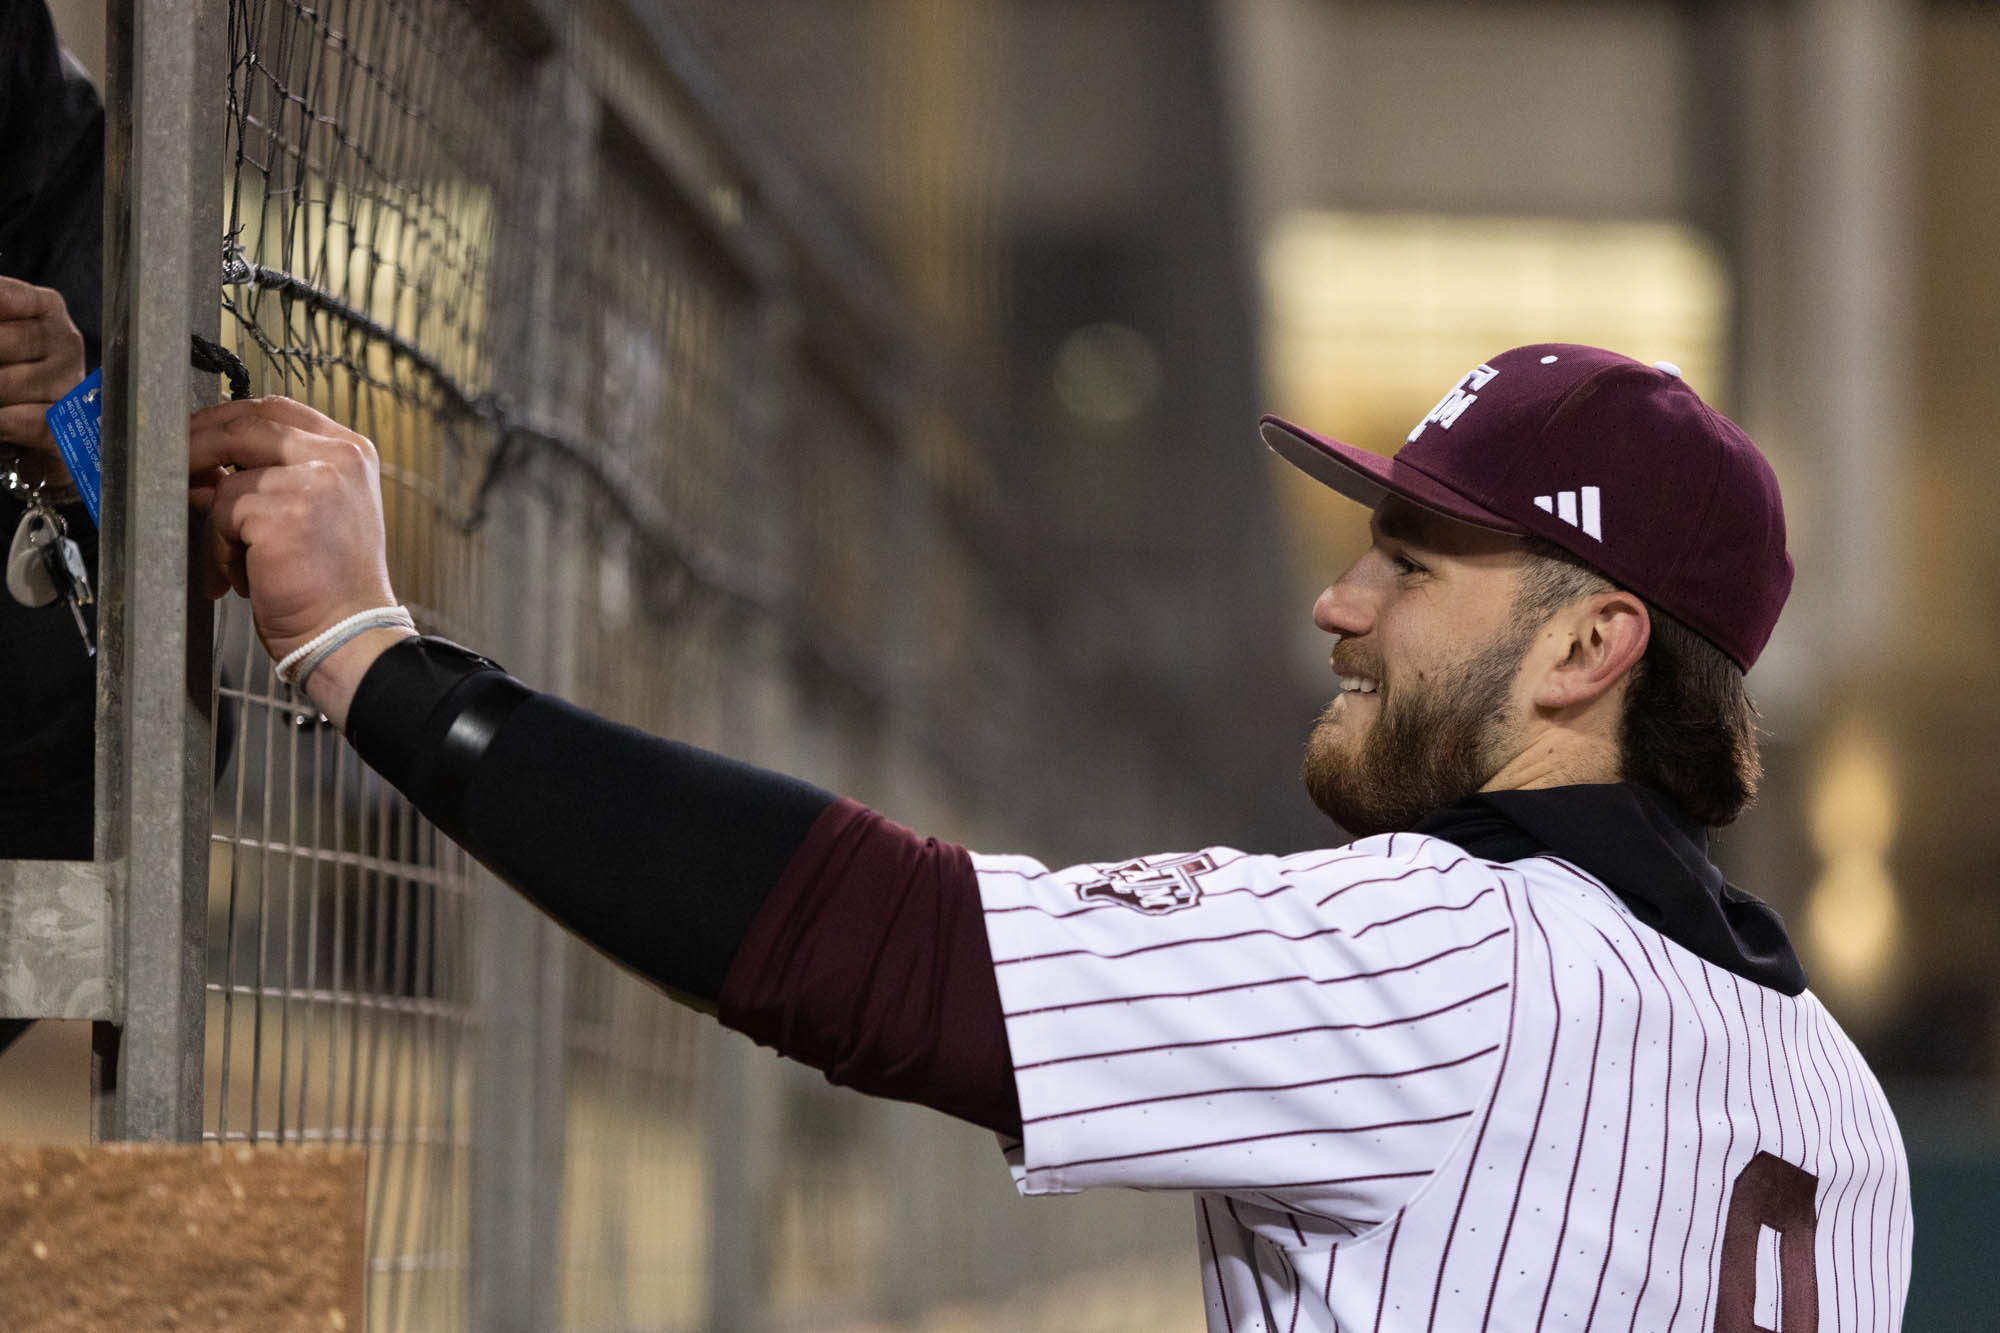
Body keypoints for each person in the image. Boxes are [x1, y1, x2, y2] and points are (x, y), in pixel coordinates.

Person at [187, 343, 1912, 1331]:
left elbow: (880, 947)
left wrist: (373, 661)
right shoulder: (1841, 1097)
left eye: (1410, 561)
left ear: (1588, 645)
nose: (1341, 601)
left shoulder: (1454, 952)